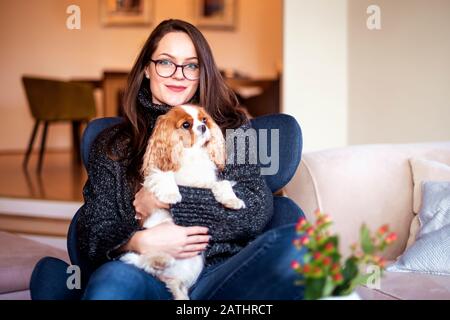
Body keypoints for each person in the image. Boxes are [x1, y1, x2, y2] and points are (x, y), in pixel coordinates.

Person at [77, 19, 304, 300]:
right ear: (147, 69)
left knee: (298, 242)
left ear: (202, 73)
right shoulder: (112, 143)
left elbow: (254, 209)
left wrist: (163, 200)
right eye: (165, 62)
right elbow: (91, 232)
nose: (178, 74)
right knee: (110, 283)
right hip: (148, 274)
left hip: (222, 277)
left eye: (191, 65)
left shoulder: (235, 130)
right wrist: (138, 240)